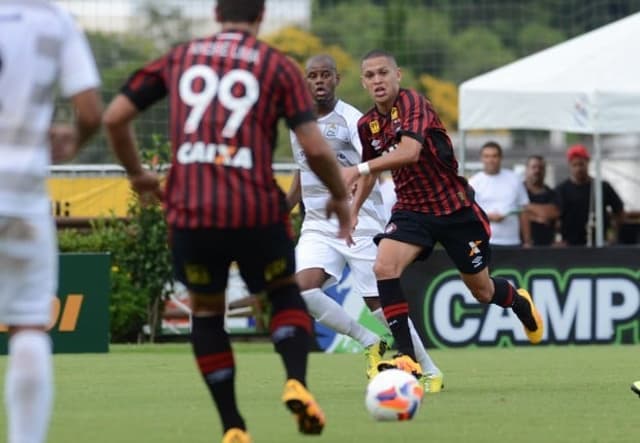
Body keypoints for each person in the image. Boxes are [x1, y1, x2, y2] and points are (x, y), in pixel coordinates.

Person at [102, 1, 350, 442]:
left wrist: (139, 173)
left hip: (192, 213)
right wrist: (337, 195)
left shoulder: (179, 58)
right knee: (282, 294)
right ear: (261, 15)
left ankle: (233, 426)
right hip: (255, 209)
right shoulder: (278, 67)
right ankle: (296, 381)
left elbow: (115, 116)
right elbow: (314, 148)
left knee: (208, 314)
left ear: (216, 14)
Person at [343, 49, 544, 377]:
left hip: (455, 210)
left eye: (383, 73)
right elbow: (370, 174)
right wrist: (353, 211)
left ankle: (519, 302)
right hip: (411, 210)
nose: (377, 80)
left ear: (398, 75)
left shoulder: (413, 105)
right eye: (370, 75)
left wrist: (358, 167)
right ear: (363, 83)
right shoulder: (368, 125)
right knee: (384, 266)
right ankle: (406, 357)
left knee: (482, 291)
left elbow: (409, 152)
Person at [286, 55, 443, 391]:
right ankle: (372, 343)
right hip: (316, 223)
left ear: (336, 79)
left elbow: (372, 166)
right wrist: (285, 207)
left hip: (358, 221)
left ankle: (429, 370)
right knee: (301, 290)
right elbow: (302, 170)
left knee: (381, 304)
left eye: (325, 75)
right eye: (312, 76)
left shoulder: (352, 120)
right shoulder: (295, 124)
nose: (318, 81)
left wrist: (352, 205)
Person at [0, 2, 102, 442]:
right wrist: (73, 138)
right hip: (21, 189)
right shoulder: (55, 20)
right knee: (28, 325)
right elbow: (91, 111)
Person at [555, 144, 624, 246]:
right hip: (570, 245)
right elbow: (554, 217)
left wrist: (614, 234)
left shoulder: (602, 186)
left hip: (600, 243)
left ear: (588, 163)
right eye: (575, 165)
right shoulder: (561, 189)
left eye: (581, 164)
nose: (579, 168)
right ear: (569, 165)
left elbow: (619, 210)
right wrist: (557, 238)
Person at [468, 141, 532, 247]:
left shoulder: (514, 179)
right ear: (481, 158)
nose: (491, 160)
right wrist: (487, 217)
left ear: (501, 157)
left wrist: (527, 241)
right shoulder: (473, 182)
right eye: (487, 156)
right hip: (482, 241)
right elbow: (469, 213)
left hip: (512, 241)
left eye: (494, 156)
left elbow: (524, 211)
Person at [523, 155, 561, 246]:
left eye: (540, 168)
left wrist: (527, 208)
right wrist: (538, 217)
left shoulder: (552, 193)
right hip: (523, 246)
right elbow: (515, 214)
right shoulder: (519, 191)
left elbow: (553, 212)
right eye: (533, 167)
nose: (537, 171)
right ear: (526, 170)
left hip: (547, 246)